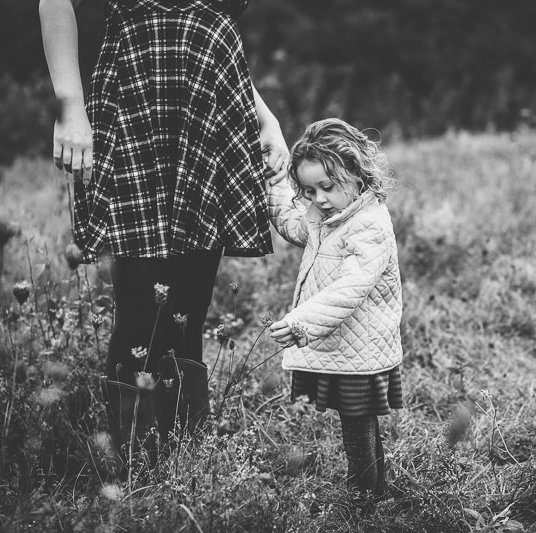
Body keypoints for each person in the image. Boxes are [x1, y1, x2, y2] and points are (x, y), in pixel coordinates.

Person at [38, 0, 288, 452]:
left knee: (187, 315)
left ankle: (185, 457)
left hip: (211, 114)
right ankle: (131, 460)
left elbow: (210, 29)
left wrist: (264, 115)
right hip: (137, 106)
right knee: (139, 313)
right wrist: (69, 106)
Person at [267, 118, 403, 508]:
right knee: (358, 419)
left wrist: (301, 322)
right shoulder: (327, 214)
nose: (319, 199)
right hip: (345, 343)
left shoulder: (369, 225)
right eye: (309, 190)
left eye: (327, 187)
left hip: (360, 345)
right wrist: (274, 183)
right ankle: (375, 492)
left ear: (357, 174)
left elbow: (351, 286)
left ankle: (363, 499)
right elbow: (296, 227)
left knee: (357, 423)